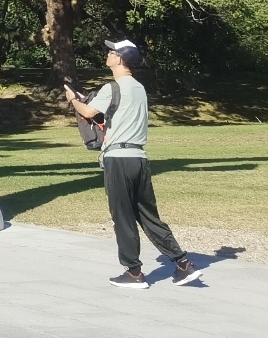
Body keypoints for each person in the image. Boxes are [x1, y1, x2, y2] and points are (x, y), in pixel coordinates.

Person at [66, 40, 203, 289]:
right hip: (139, 159)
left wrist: (73, 99)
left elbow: (87, 112)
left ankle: (134, 272)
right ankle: (183, 264)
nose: (107, 54)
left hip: (117, 160)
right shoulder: (140, 88)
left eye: (111, 52)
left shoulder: (111, 87)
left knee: (123, 216)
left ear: (120, 59)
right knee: (149, 215)